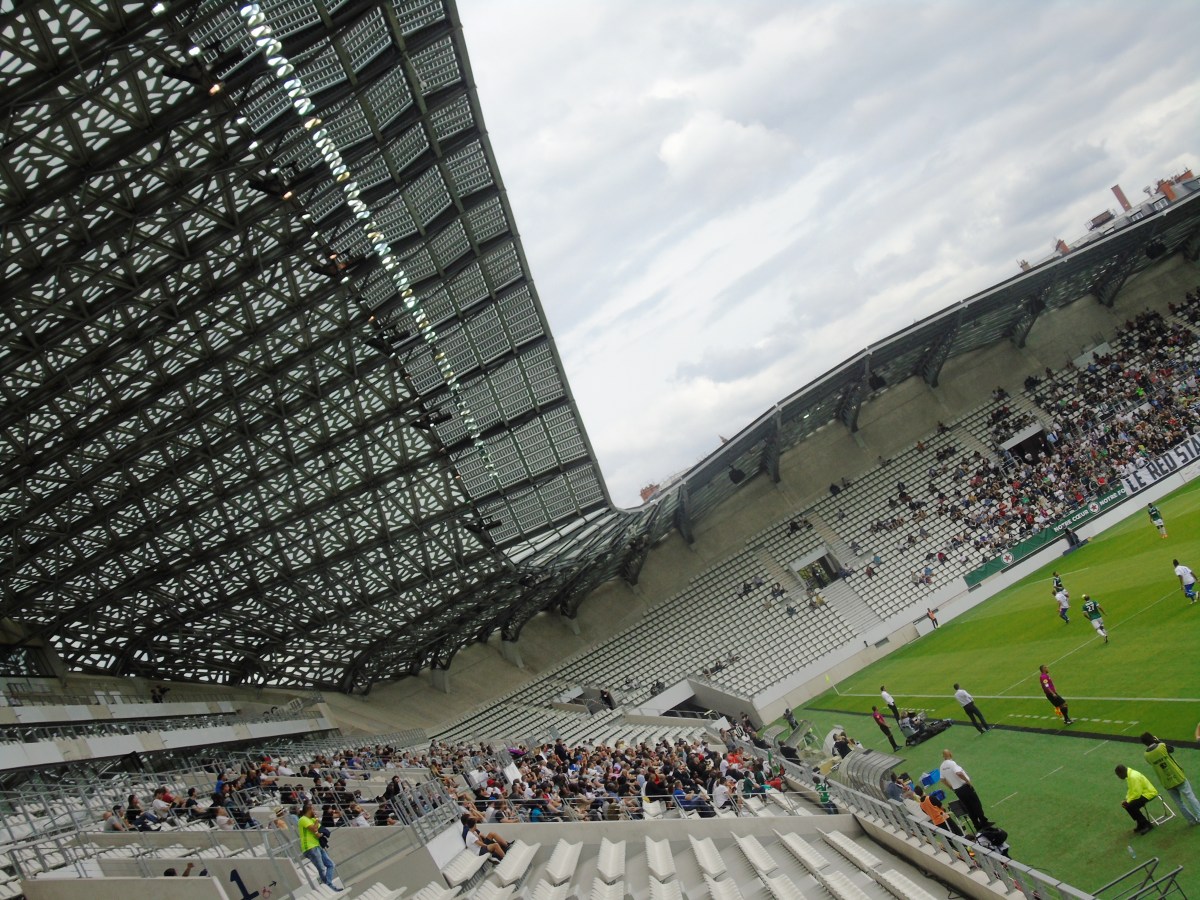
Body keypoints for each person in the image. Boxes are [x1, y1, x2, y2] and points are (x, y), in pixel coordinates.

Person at [1140, 732, 1200, 825]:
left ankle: (1191, 821)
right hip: (1177, 776)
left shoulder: (1146, 755)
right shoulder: (1161, 746)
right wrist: (1158, 741)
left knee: (1179, 803)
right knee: (1190, 797)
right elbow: (1172, 749)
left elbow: (1151, 762)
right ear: (1152, 738)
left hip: (1166, 782)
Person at [939, 749, 990, 831]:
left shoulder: (942, 767)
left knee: (969, 808)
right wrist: (967, 781)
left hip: (957, 790)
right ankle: (984, 822)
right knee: (976, 804)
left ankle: (977, 825)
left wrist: (951, 787)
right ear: (950, 754)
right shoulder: (952, 763)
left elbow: (942, 779)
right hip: (965, 787)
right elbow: (959, 773)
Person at [298, 801, 342, 891]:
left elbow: (322, 831)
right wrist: (317, 821)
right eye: (313, 809)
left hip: (317, 845)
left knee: (331, 865)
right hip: (310, 847)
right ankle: (329, 887)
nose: (315, 811)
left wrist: (320, 831)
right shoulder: (303, 819)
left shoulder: (312, 820)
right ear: (309, 810)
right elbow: (315, 829)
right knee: (321, 868)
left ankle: (328, 885)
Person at [1115, 764, 1158, 835]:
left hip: (1149, 793)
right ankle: (1140, 823)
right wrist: (1126, 799)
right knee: (1127, 806)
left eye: (1118, 775)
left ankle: (1147, 824)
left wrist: (1128, 801)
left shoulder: (1133, 777)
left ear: (1122, 773)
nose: (1119, 777)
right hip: (1143, 793)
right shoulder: (1129, 776)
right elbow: (1131, 790)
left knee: (1131, 806)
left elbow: (1137, 793)